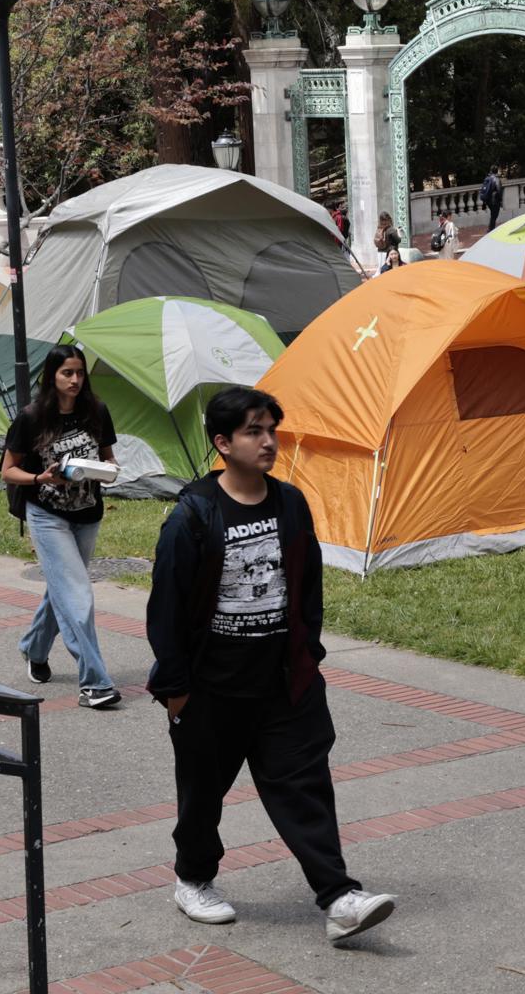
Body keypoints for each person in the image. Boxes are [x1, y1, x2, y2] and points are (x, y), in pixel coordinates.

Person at [146, 387, 398, 945]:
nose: (267, 442)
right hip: (211, 688)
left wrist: (309, 655)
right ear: (223, 443)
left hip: (284, 684)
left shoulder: (290, 503)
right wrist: (176, 688)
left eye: (271, 431)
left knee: (303, 785)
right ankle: (194, 879)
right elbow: (166, 607)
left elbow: (308, 585)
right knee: (203, 793)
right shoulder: (193, 516)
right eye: (254, 432)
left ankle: (338, 898)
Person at [1, 345, 121, 709]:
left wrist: (108, 472)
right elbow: (9, 470)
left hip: (88, 512)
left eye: (80, 373)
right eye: (67, 373)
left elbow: (109, 459)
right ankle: (95, 684)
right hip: (47, 514)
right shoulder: (32, 417)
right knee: (77, 595)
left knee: (63, 591)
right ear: (52, 375)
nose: (74, 380)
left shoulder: (96, 411)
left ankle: (33, 647)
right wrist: (41, 477)